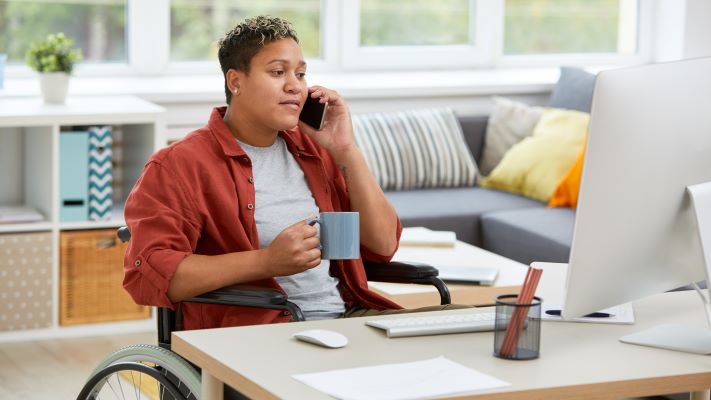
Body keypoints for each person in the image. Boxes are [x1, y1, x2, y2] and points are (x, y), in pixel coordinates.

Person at [123, 15, 465, 332]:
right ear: (235, 81)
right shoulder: (178, 165)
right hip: (261, 332)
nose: (295, 87)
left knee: (467, 335)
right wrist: (266, 261)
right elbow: (152, 273)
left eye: (300, 74)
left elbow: (383, 243)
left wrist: (346, 151)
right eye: (277, 72)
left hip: (345, 319)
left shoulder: (313, 150)